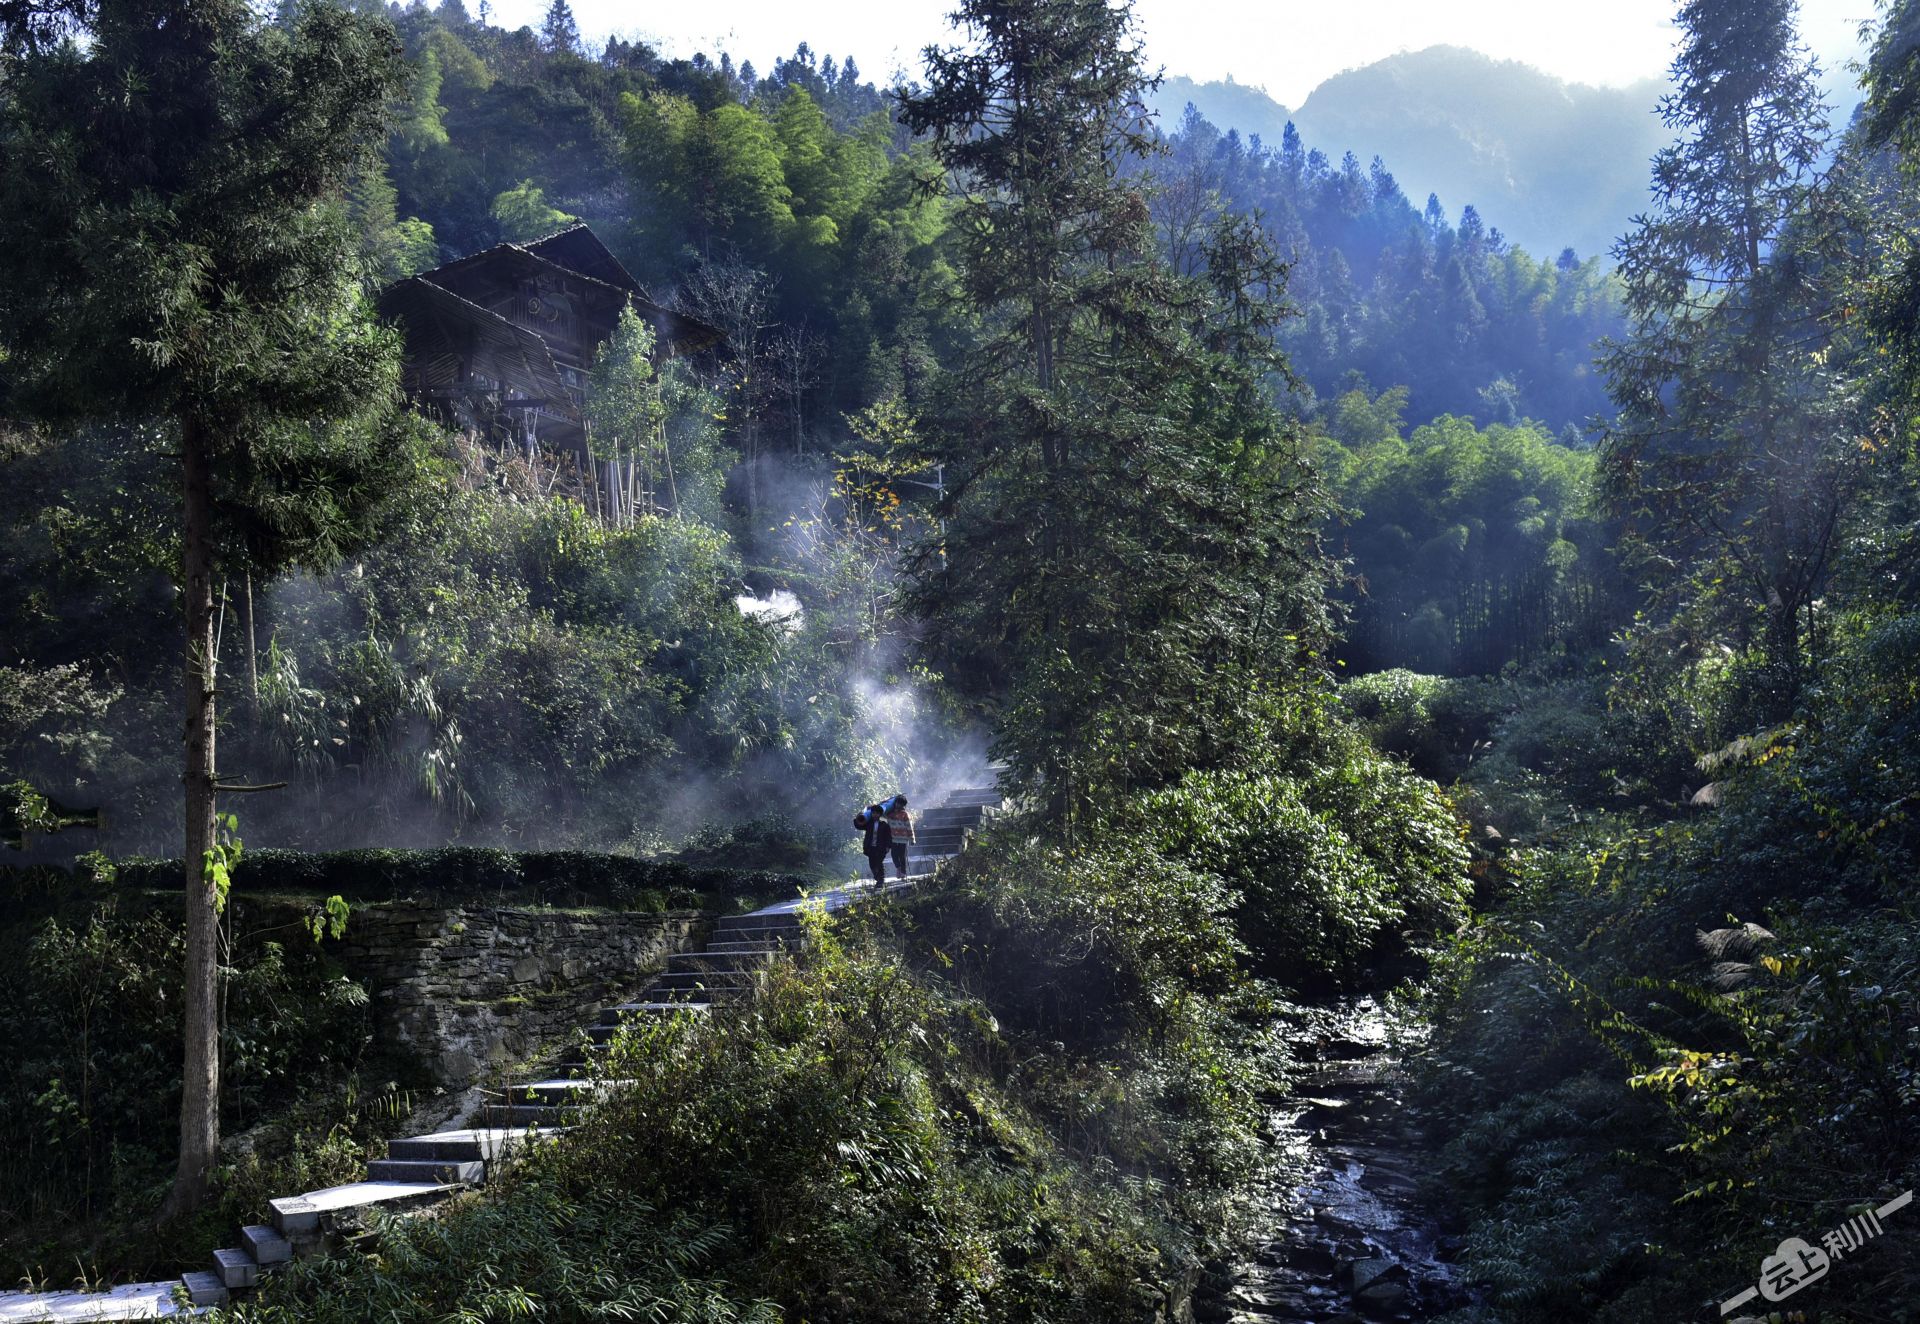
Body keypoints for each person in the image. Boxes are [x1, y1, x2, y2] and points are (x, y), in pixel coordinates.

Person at [883, 793, 915, 879]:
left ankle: (903, 873)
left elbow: (909, 826)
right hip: (893, 839)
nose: (898, 805)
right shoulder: (890, 814)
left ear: (903, 805)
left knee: (902, 856)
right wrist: (883, 803)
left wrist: (912, 839)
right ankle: (898, 868)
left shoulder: (905, 814)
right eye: (897, 803)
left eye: (901, 804)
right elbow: (882, 814)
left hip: (903, 839)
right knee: (894, 855)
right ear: (895, 803)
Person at [860, 802, 892, 884]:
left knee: (879, 863)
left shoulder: (884, 825)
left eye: (877, 813)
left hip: (880, 848)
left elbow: (888, 837)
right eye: (873, 813)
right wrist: (860, 815)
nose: (875, 815)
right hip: (870, 848)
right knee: (872, 864)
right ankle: (877, 877)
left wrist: (888, 846)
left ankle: (881, 880)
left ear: (880, 814)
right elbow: (859, 825)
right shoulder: (868, 824)